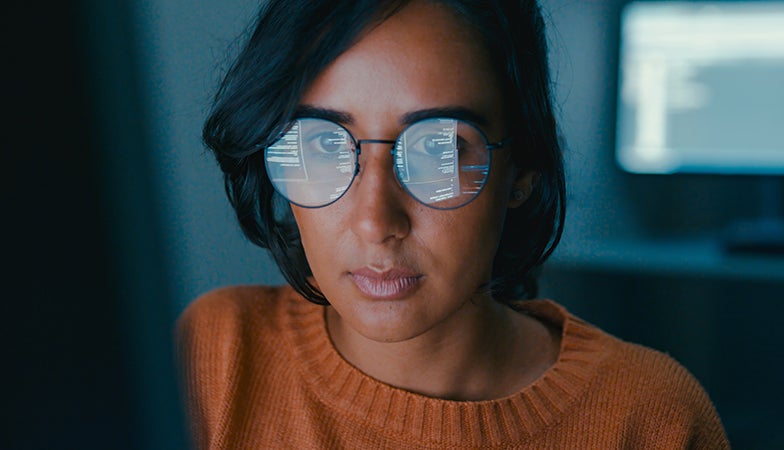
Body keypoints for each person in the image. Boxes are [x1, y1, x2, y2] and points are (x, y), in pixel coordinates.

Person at [177, 0, 730, 448]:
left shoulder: (653, 419)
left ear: (524, 169)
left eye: (439, 150)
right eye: (321, 144)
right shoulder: (213, 358)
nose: (375, 222)